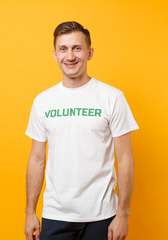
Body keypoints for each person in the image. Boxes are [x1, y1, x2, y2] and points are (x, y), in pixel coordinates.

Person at [24, 21, 139, 240]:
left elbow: (125, 158)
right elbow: (37, 159)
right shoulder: (43, 101)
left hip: (102, 216)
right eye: (63, 49)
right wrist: (30, 212)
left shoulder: (112, 97)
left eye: (77, 48)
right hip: (56, 215)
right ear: (55, 55)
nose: (70, 56)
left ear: (89, 52)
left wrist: (123, 214)